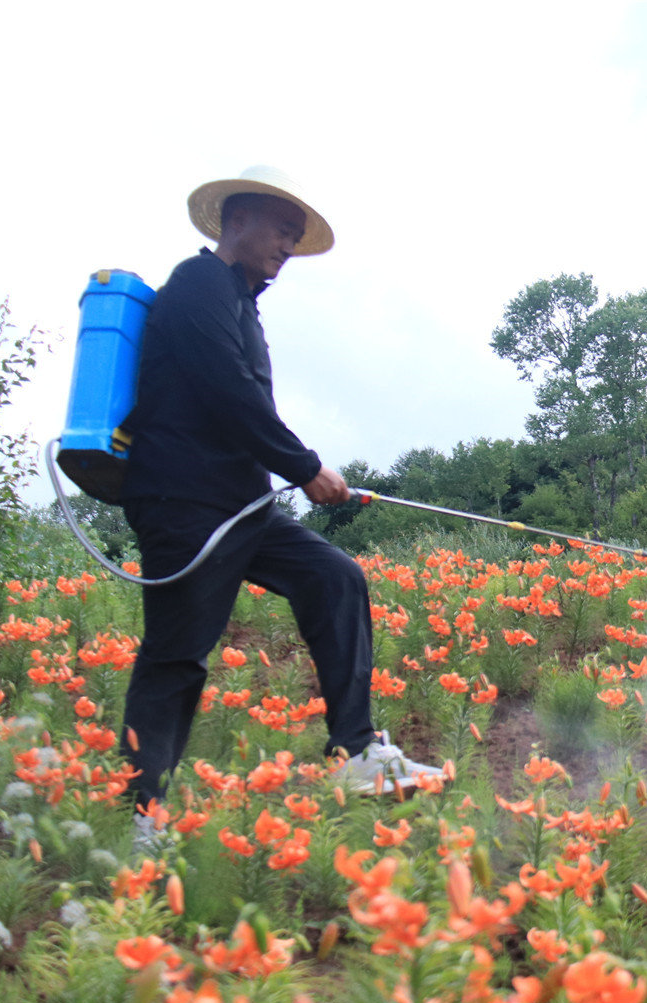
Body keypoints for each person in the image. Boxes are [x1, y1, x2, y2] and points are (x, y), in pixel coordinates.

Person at [118, 166, 438, 842]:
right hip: (183, 501)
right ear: (235, 220)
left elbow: (244, 402)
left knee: (334, 577)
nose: (287, 247)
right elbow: (226, 393)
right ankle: (141, 817)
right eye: (280, 230)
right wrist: (304, 467)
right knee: (178, 654)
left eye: (296, 237)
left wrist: (291, 472)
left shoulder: (242, 302)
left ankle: (353, 753)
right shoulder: (197, 283)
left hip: (240, 504)